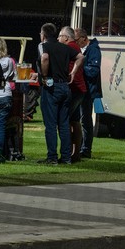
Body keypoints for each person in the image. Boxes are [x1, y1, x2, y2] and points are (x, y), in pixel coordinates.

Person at [37, 22, 80, 165]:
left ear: (43, 35)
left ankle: (52, 157)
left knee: (50, 124)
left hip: (51, 86)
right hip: (65, 87)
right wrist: (73, 72)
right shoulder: (65, 47)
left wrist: (44, 76)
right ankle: (66, 157)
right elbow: (80, 57)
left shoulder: (43, 45)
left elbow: (44, 58)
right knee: (64, 124)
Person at [60, 26, 88, 162]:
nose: (58, 39)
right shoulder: (76, 47)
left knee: (64, 120)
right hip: (80, 89)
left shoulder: (68, 48)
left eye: (60, 36)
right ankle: (76, 153)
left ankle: (66, 153)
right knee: (75, 121)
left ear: (66, 38)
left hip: (73, 89)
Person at [75, 27, 100, 159]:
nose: (75, 42)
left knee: (85, 120)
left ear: (84, 38)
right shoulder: (85, 49)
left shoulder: (93, 50)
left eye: (76, 40)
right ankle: (81, 147)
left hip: (88, 90)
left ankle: (86, 149)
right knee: (83, 119)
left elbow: (94, 71)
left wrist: (79, 68)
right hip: (83, 88)